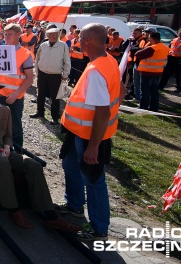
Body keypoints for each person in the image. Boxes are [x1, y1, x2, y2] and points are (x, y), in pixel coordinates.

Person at [0, 76, 80, 232]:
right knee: (2, 164)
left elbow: (8, 135)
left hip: (3, 152)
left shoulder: (5, 110)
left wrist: (8, 146)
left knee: (34, 165)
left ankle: (50, 214)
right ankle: (13, 209)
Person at [58, 23, 125, 240]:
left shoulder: (96, 70)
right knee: (69, 164)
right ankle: (75, 205)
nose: (76, 41)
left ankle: (98, 229)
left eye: (80, 38)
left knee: (94, 181)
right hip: (78, 132)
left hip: (89, 137)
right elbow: (121, 92)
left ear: (87, 40)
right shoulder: (108, 61)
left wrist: (94, 145)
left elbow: (102, 112)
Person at [0, 24, 34, 149]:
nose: (6, 37)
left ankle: (17, 152)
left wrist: (16, 93)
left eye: (10, 34)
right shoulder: (0, 51)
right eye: (5, 34)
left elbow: (30, 78)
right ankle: (1, 149)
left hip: (15, 98)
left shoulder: (25, 54)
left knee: (15, 126)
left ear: (19, 35)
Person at [30, 27, 71, 124]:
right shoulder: (43, 45)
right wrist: (37, 72)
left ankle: (55, 116)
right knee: (41, 94)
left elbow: (67, 62)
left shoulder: (63, 46)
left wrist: (65, 75)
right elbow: (37, 60)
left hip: (55, 75)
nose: (54, 36)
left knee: (55, 97)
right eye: (51, 34)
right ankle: (40, 112)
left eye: (56, 34)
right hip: (42, 74)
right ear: (47, 36)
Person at [135, 32, 168, 112]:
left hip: (148, 72)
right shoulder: (165, 47)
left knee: (145, 90)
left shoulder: (153, 48)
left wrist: (147, 46)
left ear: (152, 39)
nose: (149, 40)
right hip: (158, 72)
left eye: (150, 38)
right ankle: (154, 107)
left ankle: (143, 107)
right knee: (154, 90)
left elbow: (138, 54)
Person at [159, 28, 181, 93]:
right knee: (166, 73)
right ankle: (161, 86)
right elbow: (169, 48)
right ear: (178, 33)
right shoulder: (174, 39)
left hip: (179, 60)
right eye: (180, 33)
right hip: (171, 58)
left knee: (179, 75)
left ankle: (179, 88)